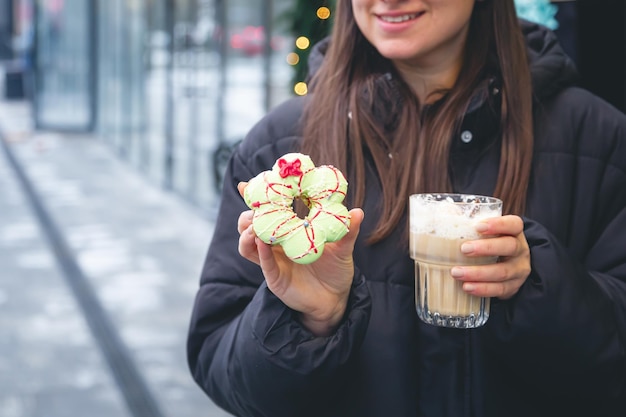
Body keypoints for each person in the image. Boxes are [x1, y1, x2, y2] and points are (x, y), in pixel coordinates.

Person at [187, 1, 626, 416]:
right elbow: (223, 370)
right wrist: (307, 321)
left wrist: (540, 287)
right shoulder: (280, 146)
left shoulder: (599, 138)